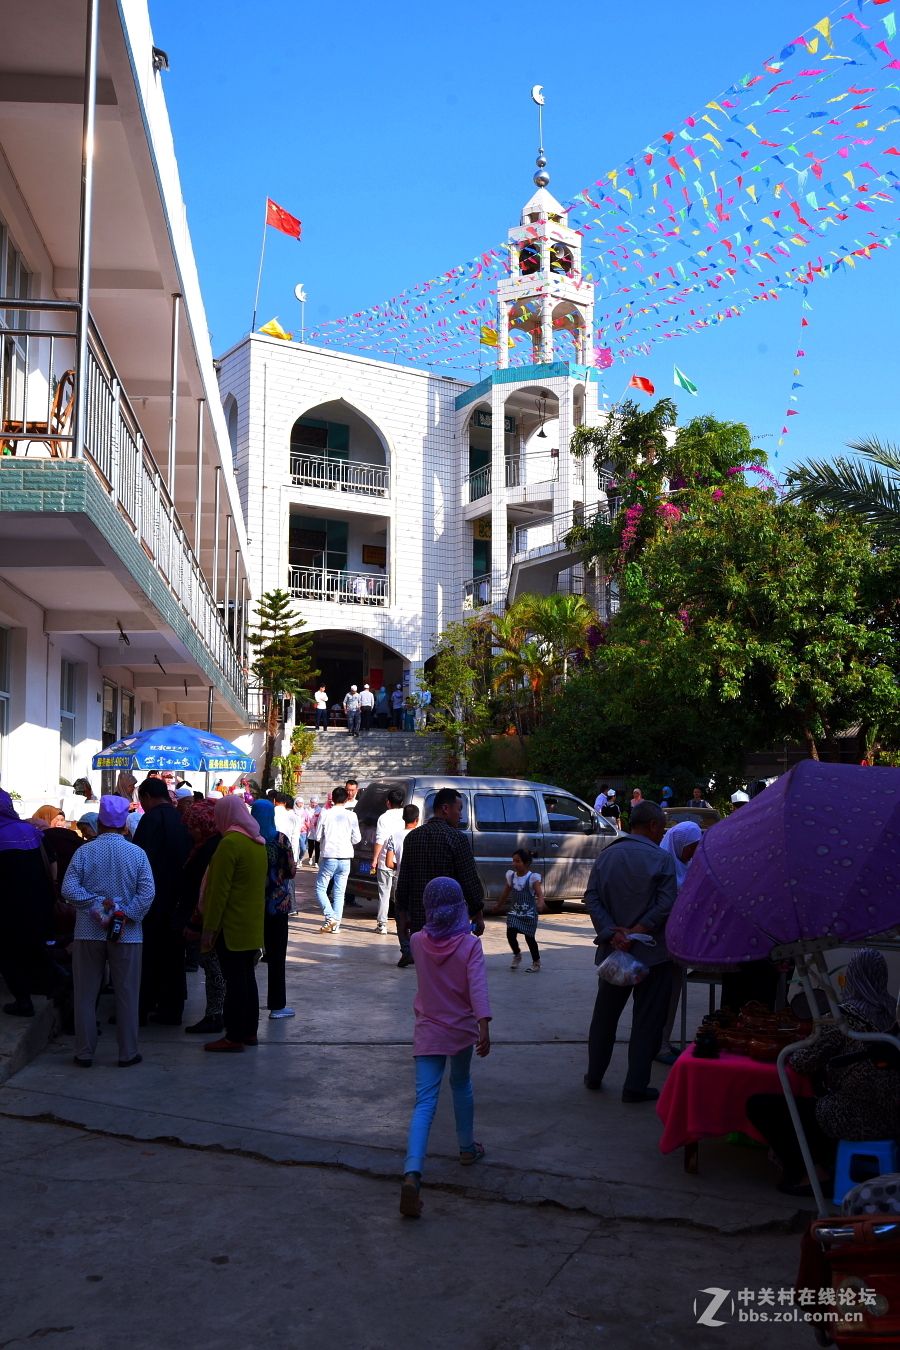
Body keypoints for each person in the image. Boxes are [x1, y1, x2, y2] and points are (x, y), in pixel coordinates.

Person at [746, 950, 900, 1196]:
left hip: (856, 1117)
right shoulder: (894, 1011)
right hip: (894, 1118)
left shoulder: (844, 1016)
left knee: (760, 1106)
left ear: (852, 976)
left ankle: (813, 1177)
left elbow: (802, 1064)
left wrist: (799, 1046)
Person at [399, 877, 491, 1219]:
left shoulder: (417, 941)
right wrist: (483, 1024)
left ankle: (412, 1174)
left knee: (424, 1102)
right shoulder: (470, 945)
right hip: (461, 1032)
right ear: (459, 907)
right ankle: (467, 1148)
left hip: (428, 1031)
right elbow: (477, 987)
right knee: (461, 1084)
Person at [582, 799, 677, 1102]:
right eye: (662, 828)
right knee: (647, 1021)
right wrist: (639, 931)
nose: (663, 834)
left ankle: (594, 1075)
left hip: (614, 953)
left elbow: (591, 897)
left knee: (605, 1018)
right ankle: (635, 1086)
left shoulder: (606, 855)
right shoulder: (661, 859)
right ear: (652, 825)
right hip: (652, 955)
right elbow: (666, 904)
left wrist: (613, 932)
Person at [62, 794, 155, 1067]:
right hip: (128, 933)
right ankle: (127, 1053)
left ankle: (84, 1052)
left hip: (88, 932)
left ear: (100, 822)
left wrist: (96, 906)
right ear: (124, 824)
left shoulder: (84, 851)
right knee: (127, 994)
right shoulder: (137, 853)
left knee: (85, 994)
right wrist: (122, 913)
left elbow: (68, 888)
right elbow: (147, 893)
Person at [200, 796, 268, 1052]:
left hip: (231, 925)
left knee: (236, 982)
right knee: (247, 980)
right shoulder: (257, 842)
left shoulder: (230, 843)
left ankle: (235, 1036)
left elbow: (218, 892)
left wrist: (209, 928)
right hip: (250, 924)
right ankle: (249, 1032)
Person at [394, 787, 484, 969]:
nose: (461, 815)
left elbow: (404, 881)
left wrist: (403, 916)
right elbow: (469, 881)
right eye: (459, 809)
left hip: (421, 923)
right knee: (450, 973)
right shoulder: (457, 839)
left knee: (427, 976)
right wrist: (478, 913)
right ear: (445, 808)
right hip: (451, 926)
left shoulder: (412, 838)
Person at [133, 776, 192, 1026]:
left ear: (146, 797)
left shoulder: (151, 818)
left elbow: (139, 859)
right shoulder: (181, 818)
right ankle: (171, 1009)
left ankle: (141, 1009)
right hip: (179, 901)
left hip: (154, 901)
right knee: (173, 959)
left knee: (148, 958)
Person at [0, 790, 58, 1017]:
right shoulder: (31, 830)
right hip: (38, 899)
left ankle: (23, 1000)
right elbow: (52, 860)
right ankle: (54, 975)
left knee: (8, 951)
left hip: (7, 903)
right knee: (32, 943)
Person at [656, 821, 703, 1065]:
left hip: (679, 942)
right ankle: (658, 1046)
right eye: (691, 847)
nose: (694, 852)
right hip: (662, 942)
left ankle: (663, 1042)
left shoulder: (687, 864)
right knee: (662, 995)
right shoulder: (662, 865)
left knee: (674, 994)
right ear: (678, 844)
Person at [180, 799, 225, 1035]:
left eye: (192, 826)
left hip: (210, 919)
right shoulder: (210, 843)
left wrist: (195, 923)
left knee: (213, 966)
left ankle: (215, 1015)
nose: (189, 831)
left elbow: (206, 891)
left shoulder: (213, 847)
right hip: (211, 917)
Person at [250, 799, 296, 1020]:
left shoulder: (247, 839)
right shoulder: (280, 840)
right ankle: (277, 1006)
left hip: (250, 904)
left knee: (247, 956)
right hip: (278, 905)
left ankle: (245, 1003)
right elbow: (291, 871)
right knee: (277, 956)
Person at [313, 786, 360, 934]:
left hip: (330, 856)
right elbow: (357, 838)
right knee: (340, 892)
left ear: (332, 798)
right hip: (346, 857)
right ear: (346, 799)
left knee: (320, 888)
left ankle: (330, 915)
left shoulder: (325, 814)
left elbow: (318, 836)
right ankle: (336, 925)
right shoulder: (351, 816)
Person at [492, 848, 546, 972]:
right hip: (515, 912)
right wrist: (498, 905)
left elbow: (540, 894)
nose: (514, 864)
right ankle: (517, 954)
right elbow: (505, 893)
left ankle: (536, 962)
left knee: (529, 938)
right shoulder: (511, 877)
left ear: (526, 864)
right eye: (513, 861)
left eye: (517, 861)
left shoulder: (532, 878)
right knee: (510, 934)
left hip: (529, 914)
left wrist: (540, 903)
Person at [374, 788, 407, 936]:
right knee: (401, 895)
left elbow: (380, 840)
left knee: (384, 894)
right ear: (402, 802)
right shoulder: (407, 816)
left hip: (384, 861)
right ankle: (404, 925)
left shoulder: (383, 818)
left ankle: (382, 925)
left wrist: (374, 858)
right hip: (401, 862)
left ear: (388, 802)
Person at [306, 796, 322, 866]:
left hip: (317, 829)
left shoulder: (320, 809)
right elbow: (305, 818)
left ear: (317, 803)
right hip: (310, 830)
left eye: (315, 803)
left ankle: (316, 862)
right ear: (310, 802)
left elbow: (321, 819)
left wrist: (317, 822)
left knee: (317, 847)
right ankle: (310, 857)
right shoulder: (307, 809)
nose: (314, 804)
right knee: (310, 846)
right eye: (312, 803)